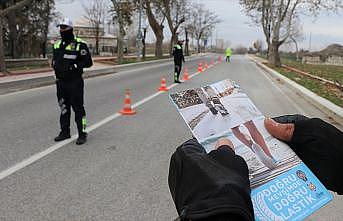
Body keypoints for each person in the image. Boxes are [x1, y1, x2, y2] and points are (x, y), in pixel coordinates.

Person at [168, 115, 343, 220]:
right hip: (264, 156)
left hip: (259, 158)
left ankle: (254, 143)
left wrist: (217, 211)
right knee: (249, 133)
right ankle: (257, 146)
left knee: (247, 135)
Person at [52, 18, 93, 145]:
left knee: (79, 109)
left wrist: (75, 66)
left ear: (70, 29)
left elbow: (88, 62)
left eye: (64, 27)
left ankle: (83, 133)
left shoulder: (80, 44)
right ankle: (65, 132)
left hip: (75, 82)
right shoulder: (57, 45)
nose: (61, 30)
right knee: (64, 108)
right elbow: (55, 60)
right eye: (60, 28)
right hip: (61, 83)